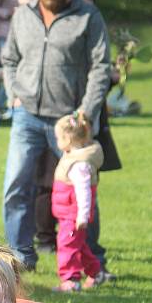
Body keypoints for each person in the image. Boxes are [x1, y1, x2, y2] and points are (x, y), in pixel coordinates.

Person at [0, 0, 111, 272]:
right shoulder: (23, 15)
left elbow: (101, 66)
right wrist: (14, 91)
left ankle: (91, 260)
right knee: (15, 185)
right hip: (27, 115)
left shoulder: (88, 15)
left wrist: (87, 110)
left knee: (83, 188)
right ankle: (21, 258)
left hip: (70, 121)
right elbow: (9, 58)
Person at [51, 111, 105, 292]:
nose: (57, 141)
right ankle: (96, 273)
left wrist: (82, 216)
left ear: (67, 138)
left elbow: (84, 192)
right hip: (69, 213)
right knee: (80, 247)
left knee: (67, 246)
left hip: (73, 215)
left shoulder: (79, 164)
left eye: (58, 137)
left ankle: (71, 280)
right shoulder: (73, 156)